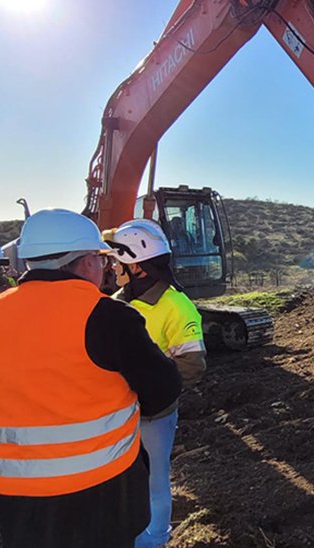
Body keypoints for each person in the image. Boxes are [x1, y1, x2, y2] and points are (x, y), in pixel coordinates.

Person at [0, 209, 182, 548]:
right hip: (103, 495)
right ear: (87, 261)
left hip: (18, 499)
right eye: (101, 259)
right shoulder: (109, 316)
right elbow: (163, 390)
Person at [110, 219, 206, 548]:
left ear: (134, 264)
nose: (113, 266)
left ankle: (153, 541)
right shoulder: (116, 302)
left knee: (154, 482)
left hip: (152, 415)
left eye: (117, 260)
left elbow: (192, 365)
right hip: (116, 413)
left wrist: (147, 391)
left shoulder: (176, 306)